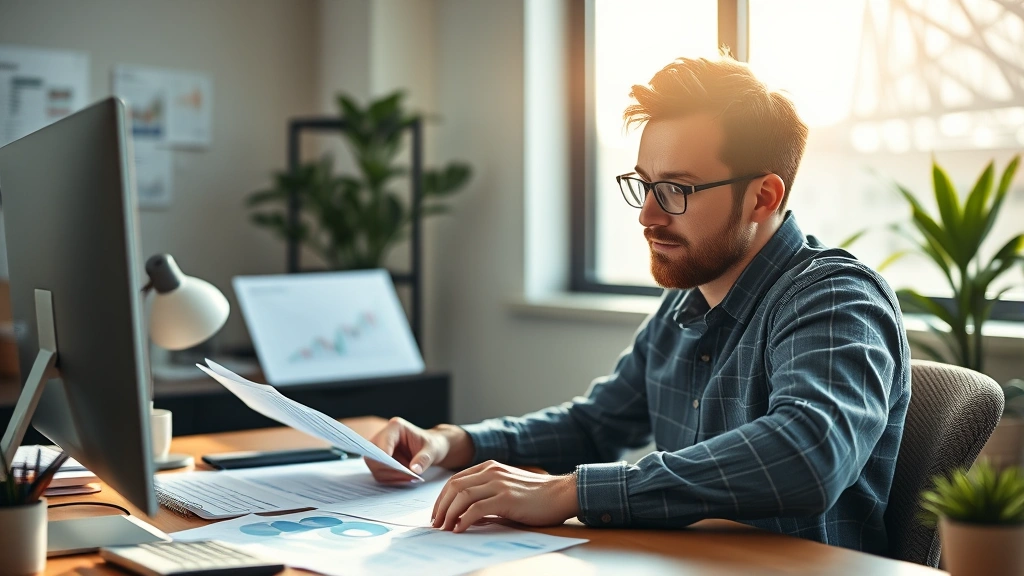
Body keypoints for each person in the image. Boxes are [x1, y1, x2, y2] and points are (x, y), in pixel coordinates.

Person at [366, 55, 910, 556]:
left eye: (676, 190)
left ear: (762, 197)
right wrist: (450, 441)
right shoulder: (687, 303)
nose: (648, 215)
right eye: (644, 185)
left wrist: (574, 492)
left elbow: (809, 453)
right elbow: (594, 425)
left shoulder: (834, 297)